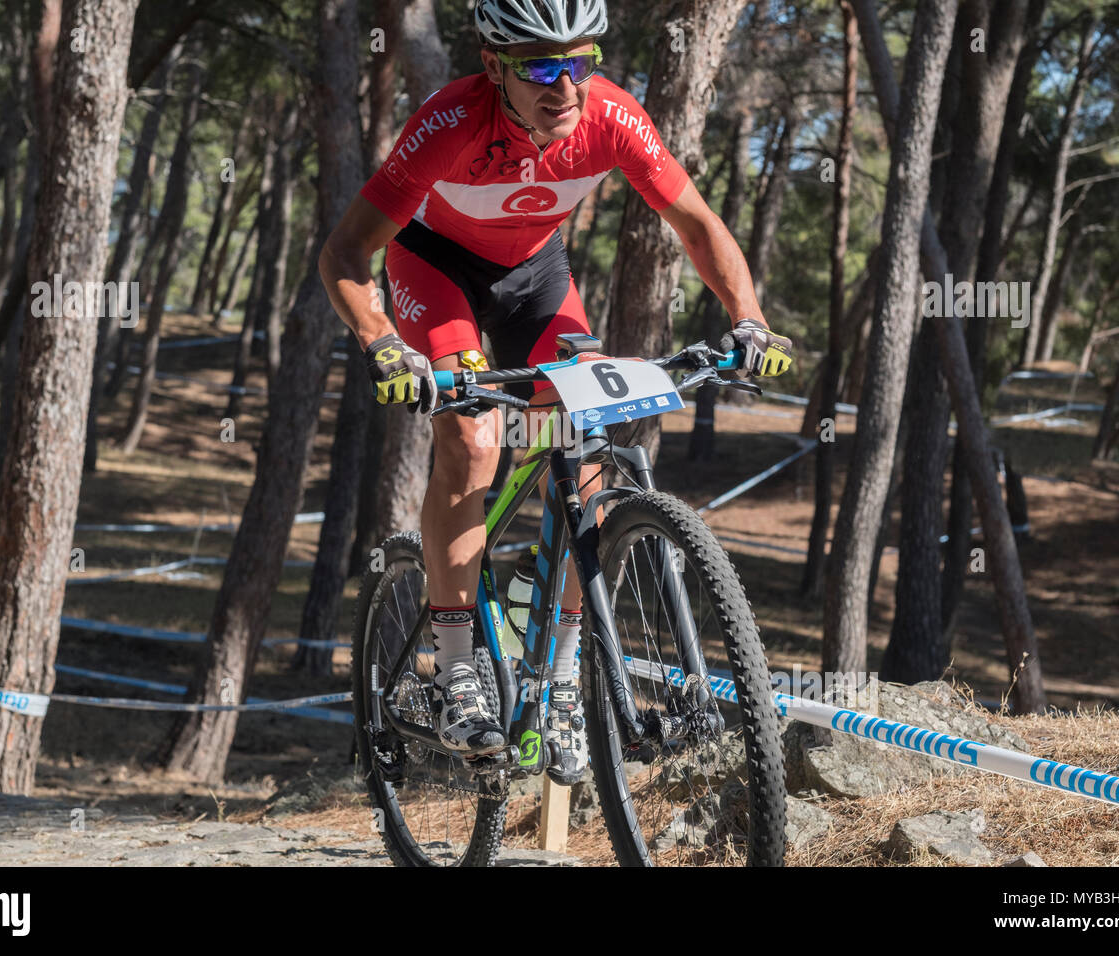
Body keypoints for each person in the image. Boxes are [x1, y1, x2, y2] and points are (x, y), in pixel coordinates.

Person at [319, 0, 793, 783]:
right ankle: (456, 667)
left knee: (587, 446)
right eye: (542, 65)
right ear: (493, 64)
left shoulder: (612, 116)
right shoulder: (449, 122)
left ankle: (563, 678)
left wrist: (749, 319)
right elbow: (345, 251)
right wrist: (383, 343)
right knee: (474, 440)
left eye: (580, 61)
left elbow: (696, 224)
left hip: (537, 277)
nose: (565, 85)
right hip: (435, 269)